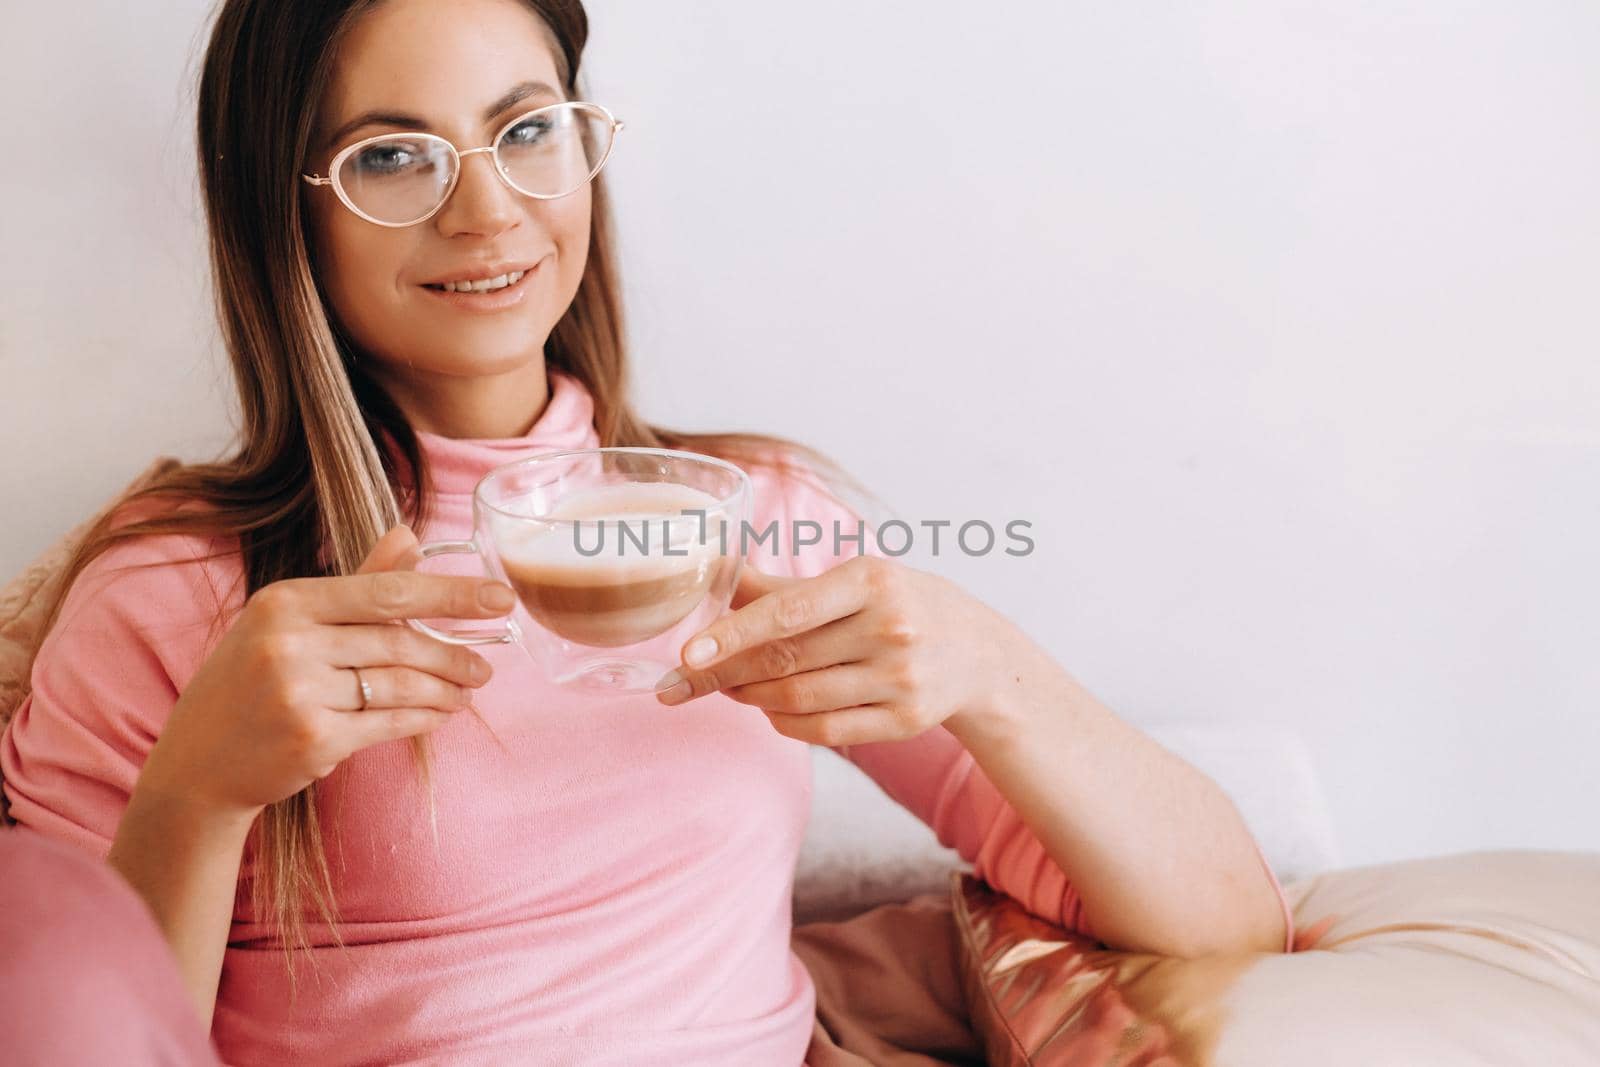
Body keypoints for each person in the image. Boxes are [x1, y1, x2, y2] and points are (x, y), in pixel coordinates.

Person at [0, 1, 1293, 1063]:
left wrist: (997, 674)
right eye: (393, 155)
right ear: (286, 211)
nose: (488, 209)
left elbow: (1229, 921)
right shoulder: (173, 588)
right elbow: (81, 1033)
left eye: (526, 131)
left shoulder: (755, 518)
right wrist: (197, 792)